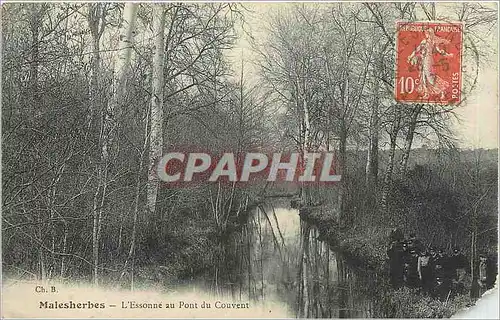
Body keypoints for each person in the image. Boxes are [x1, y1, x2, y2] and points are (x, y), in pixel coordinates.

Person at [407, 27, 454, 100]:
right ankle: (426, 94)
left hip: (429, 60)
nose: (426, 35)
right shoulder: (423, 42)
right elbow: (417, 50)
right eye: (425, 33)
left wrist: (447, 55)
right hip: (423, 60)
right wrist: (411, 56)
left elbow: (439, 51)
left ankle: (442, 91)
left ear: (430, 34)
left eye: (427, 33)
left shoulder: (433, 42)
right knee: (423, 77)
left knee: (430, 78)